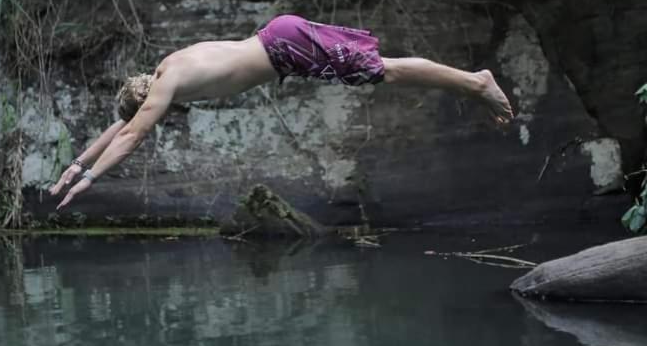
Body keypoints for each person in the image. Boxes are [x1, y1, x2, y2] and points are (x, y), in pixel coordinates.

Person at [50, 13, 513, 208]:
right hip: (279, 38)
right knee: (382, 71)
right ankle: (471, 83)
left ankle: (475, 82)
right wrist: (77, 164)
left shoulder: (166, 86)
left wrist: (90, 181)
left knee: (385, 71)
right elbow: (122, 125)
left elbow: (131, 135)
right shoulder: (166, 68)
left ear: (146, 102)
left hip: (284, 49)